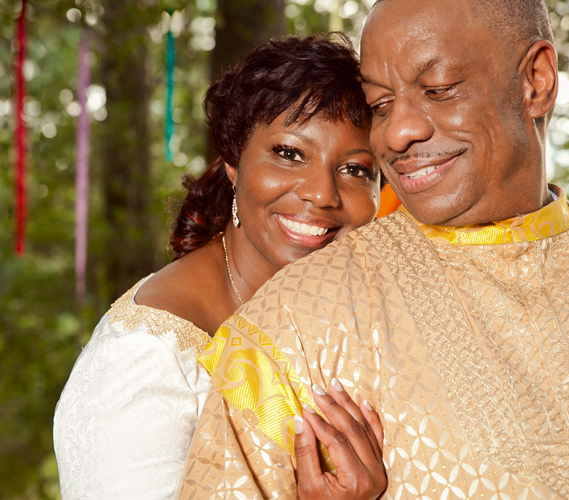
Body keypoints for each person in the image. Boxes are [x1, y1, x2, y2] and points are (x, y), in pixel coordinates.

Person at [176, 0, 569, 498]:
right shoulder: (289, 326)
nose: (397, 132)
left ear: (536, 81)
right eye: (381, 104)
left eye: (438, 89)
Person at [53, 34, 386, 500]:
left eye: (355, 169)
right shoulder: (146, 358)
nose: (322, 194)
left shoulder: (356, 316)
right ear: (233, 160)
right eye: (290, 153)